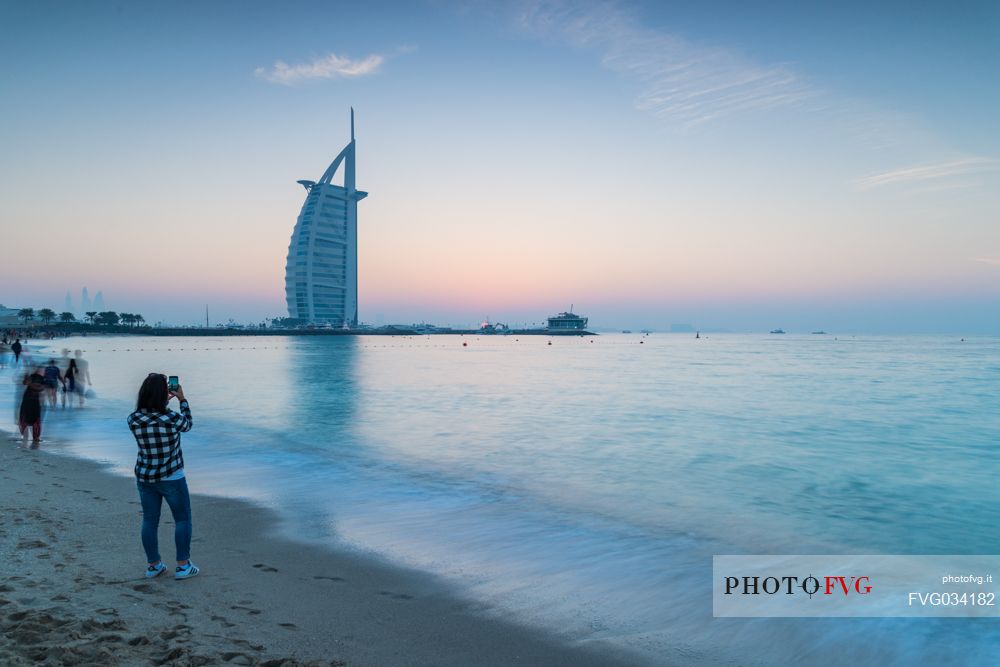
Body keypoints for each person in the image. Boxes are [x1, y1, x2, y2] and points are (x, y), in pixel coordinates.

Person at [127, 373, 199, 580]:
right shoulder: (171, 418)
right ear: (163, 394)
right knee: (183, 519)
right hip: (172, 477)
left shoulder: (134, 419)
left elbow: (149, 417)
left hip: (145, 477)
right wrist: (182, 400)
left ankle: (154, 565)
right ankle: (183, 566)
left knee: (150, 521)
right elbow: (187, 424)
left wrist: (160, 402)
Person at [19, 368, 45, 444]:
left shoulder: (40, 378)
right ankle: (29, 437)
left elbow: (41, 388)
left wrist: (30, 384)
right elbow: (25, 382)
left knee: (33, 418)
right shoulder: (32, 376)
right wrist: (27, 378)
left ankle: (33, 437)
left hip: (33, 400)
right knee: (28, 417)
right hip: (29, 400)